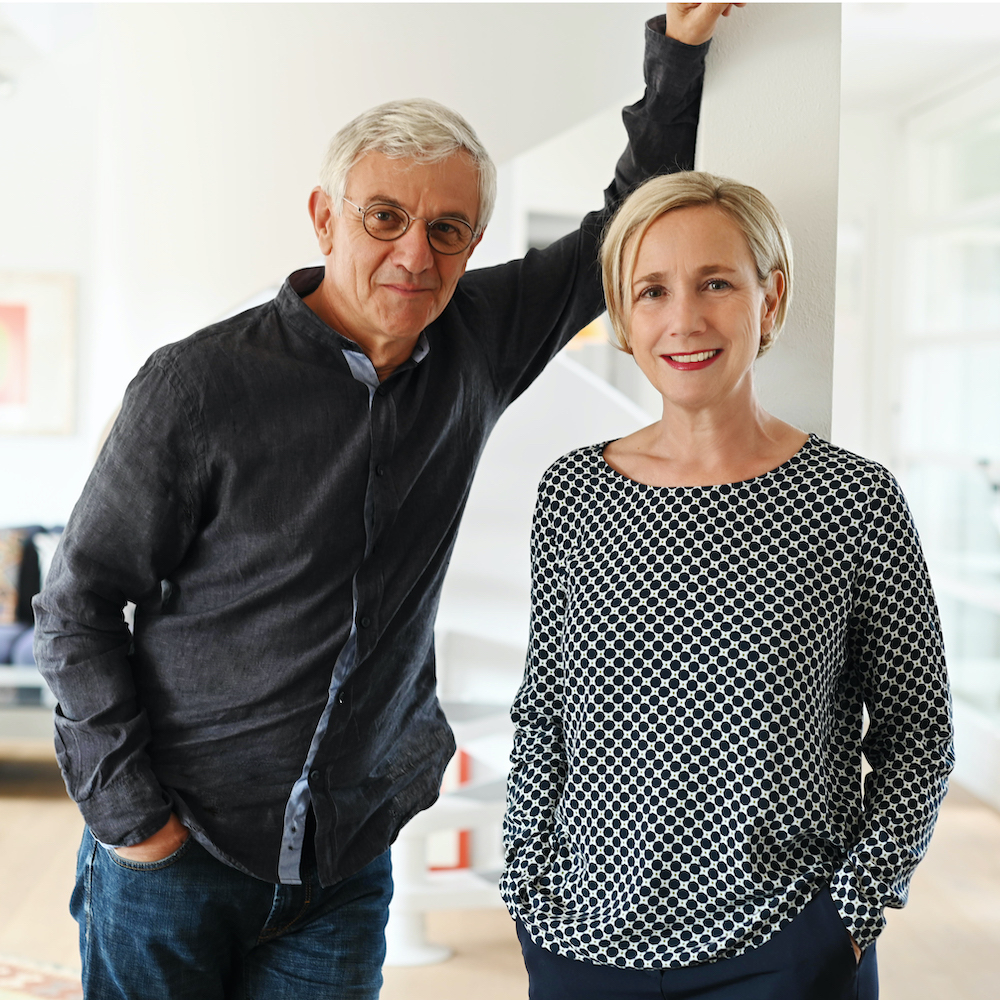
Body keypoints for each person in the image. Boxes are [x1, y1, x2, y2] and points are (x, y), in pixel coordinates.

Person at [32, 6, 742, 1000]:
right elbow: (77, 606)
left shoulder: (479, 343)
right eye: (383, 217)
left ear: (473, 240)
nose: (415, 253)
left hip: (345, 858)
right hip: (177, 852)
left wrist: (680, 46)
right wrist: (131, 818)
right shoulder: (195, 387)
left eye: (446, 228)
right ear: (324, 216)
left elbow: (622, 224)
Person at [501, 171, 954, 1000]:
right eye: (652, 291)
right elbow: (545, 713)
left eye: (716, 283)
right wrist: (527, 892)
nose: (684, 319)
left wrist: (849, 917)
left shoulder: (852, 499)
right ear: (625, 321)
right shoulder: (572, 494)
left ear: (769, 299)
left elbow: (918, 736)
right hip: (584, 945)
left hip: (791, 947)